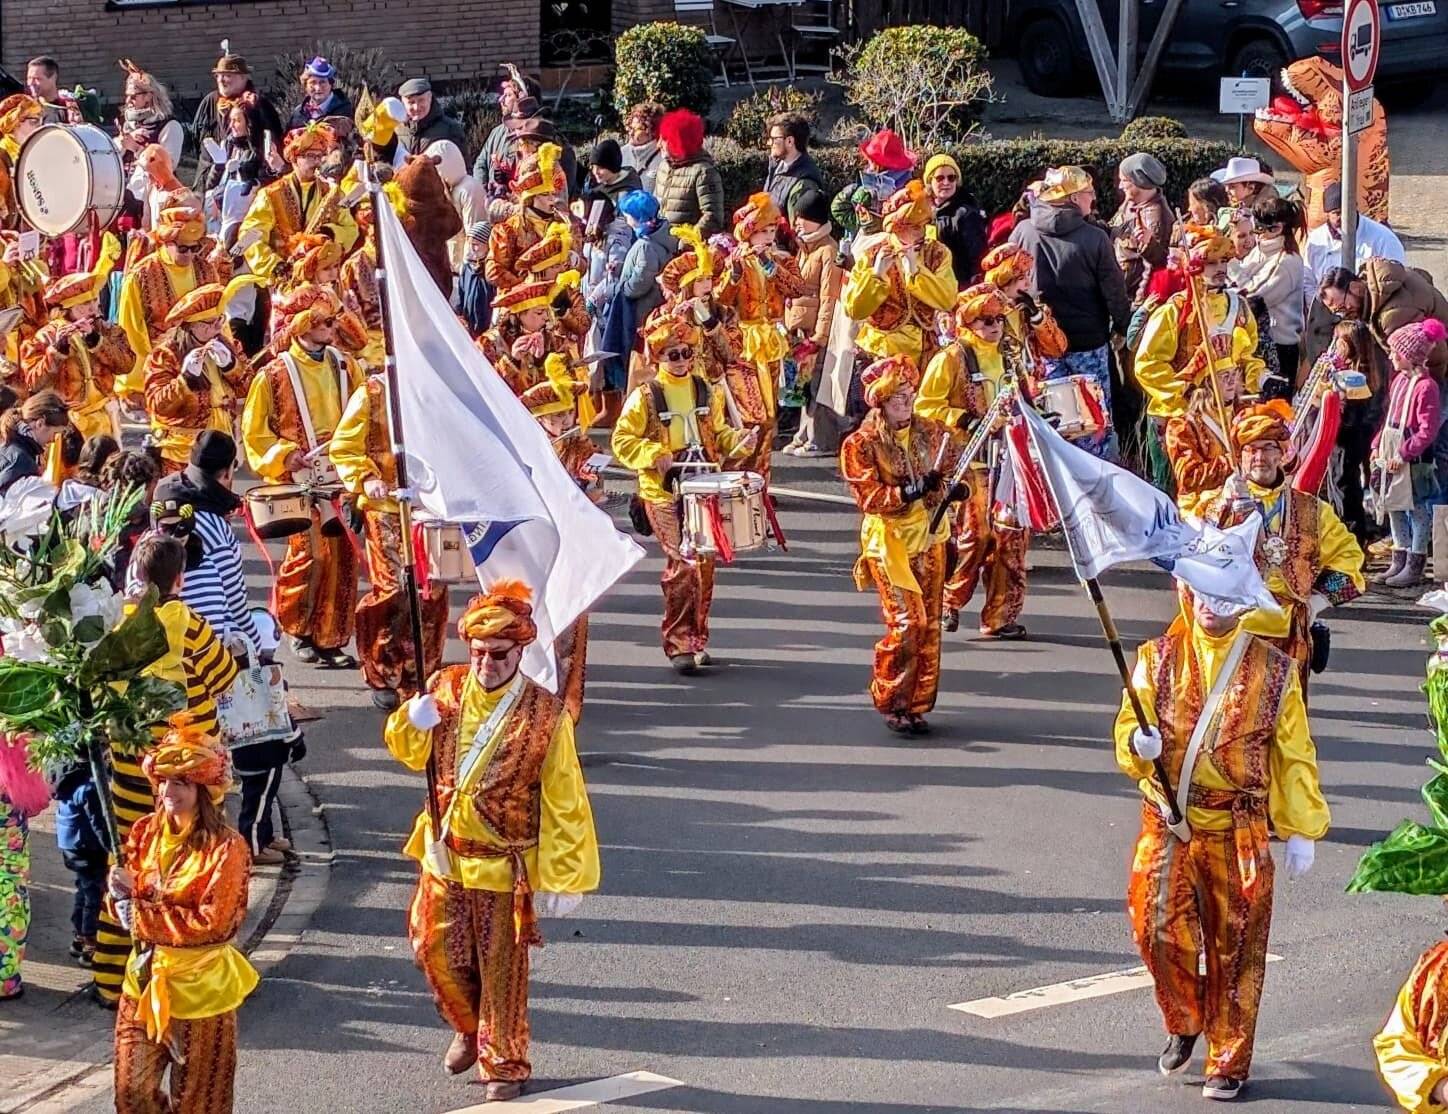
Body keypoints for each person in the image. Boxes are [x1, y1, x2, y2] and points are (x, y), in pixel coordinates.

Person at [384, 584, 599, 1101]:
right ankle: (467, 1026)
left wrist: (564, 875)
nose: (485, 663)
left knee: (501, 973)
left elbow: (565, 798)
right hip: (445, 853)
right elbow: (411, 754)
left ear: (519, 652)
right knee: (432, 950)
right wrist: (409, 723)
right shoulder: (446, 688)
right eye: (477, 653)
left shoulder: (546, 716)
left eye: (497, 655)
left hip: (506, 867)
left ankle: (503, 1063)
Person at [1114, 586, 1327, 1103]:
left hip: (1239, 825)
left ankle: (1228, 1060)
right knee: (1154, 927)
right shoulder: (1155, 658)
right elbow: (1127, 731)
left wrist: (1300, 825)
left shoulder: (1275, 671)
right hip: (1169, 820)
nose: (1212, 604)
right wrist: (1137, 748)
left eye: (1225, 594)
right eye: (1203, 592)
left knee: (1237, 948)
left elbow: (1291, 752)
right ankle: (1185, 1017)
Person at [109, 719, 258, 1114]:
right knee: (131, 1094)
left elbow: (215, 924)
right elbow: (127, 903)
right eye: (164, 781)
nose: (168, 791)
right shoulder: (144, 832)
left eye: (181, 783)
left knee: (200, 1104)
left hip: (201, 994)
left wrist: (140, 905)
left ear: (203, 791)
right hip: (143, 984)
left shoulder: (229, 849)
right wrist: (118, 894)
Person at [611, 316, 758, 672]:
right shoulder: (644, 397)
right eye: (672, 354)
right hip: (662, 492)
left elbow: (720, 435)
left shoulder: (707, 390)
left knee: (704, 567)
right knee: (684, 563)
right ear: (658, 358)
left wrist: (740, 442)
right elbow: (621, 440)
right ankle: (678, 643)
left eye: (686, 353)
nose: (680, 360)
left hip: (703, 487)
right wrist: (652, 454)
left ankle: (696, 638)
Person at [1201, 402, 1365, 691]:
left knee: (1286, 725)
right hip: (1235, 632)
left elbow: (1351, 562)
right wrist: (1223, 506)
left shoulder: (1312, 510)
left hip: (1288, 634)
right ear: (1240, 457)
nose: (1259, 457)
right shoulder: (1217, 505)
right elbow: (1192, 557)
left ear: (1282, 453)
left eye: (1267, 448)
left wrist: (1315, 603)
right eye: (1251, 450)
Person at [241, 284, 363, 668]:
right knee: (307, 556)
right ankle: (297, 628)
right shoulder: (274, 374)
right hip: (298, 480)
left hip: (339, 476)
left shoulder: (347, 366)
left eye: (332, 321)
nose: (331, 327)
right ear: (302, 325)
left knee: (342, 558)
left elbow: (368, 414)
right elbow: (255, 430)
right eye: (323, 322)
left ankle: (331, 637)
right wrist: (285, 454)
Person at [842, 355, 964, 734]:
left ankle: (917, 704)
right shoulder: (860, 444)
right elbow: (870, 497)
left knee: (930, 628)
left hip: (931, 538)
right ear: (880, 402)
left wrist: (954, 490)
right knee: (908, 624)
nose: (905, 403)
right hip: (890, 544)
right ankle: (891, 698)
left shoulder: (932, 431)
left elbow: (953, 471)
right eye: (897, 397)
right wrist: (909, 491)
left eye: (909, 395)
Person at [329, 377, 450, 709]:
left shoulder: (439, 386)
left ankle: (422, 671)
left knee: (432, 591)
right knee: (394, 588)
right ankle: (383, 671)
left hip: (430, 508)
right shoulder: (373, 391)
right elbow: (343, 446)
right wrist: (366, 478)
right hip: (386, 509)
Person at [918, 283, 1031, 638]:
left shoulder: (1012, 353)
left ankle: (1000, 617)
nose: (993, 326)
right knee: (976, 536)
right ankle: (950, 602)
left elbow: (1028, 393)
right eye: (983, 320)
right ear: (967, 323)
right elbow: (925, 405)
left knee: (1011, 538)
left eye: (997, 318)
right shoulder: (950, 358)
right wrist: (965, 419)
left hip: (1011, 459)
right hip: (971, 459)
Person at [1009, 165, 1130, 458]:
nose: (1094, 199)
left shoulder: (1022, 232)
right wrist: (1126, 328)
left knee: (1053, 424)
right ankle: (1098, 487)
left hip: (1041, 344)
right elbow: (1114, 291)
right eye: (1089, 193)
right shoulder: (1094, 238)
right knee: (1093, 424)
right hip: (1088, 343)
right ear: (1074, 198)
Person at [716, 192, 805, 483]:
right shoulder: (733, 262)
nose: (768, 237)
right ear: (749, 233)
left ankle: (760, 481)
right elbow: (721, 300)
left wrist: (772, 267)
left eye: (771, 231)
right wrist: (735, 273)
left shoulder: (782, 260)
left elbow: (797, 288)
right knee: (750, 416)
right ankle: (736, 475)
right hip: (744, 343)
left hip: (773, 342)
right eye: (762, 231)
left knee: (769, 418)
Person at [1135, 224, 1264, 426]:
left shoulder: (1239, 306)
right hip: (1180, 419)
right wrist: (1185, 391)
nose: (1220, 268)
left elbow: (1247, 357)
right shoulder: (1174, 310)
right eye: (1211, 262)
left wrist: (1260, 379)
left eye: (1223, 261)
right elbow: (1147, 365)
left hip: (1226, 415)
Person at [842, 179, 958, 386]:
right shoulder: (872, 255)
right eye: (914, 227)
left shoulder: (938, 253)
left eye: (924, 225)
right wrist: (876, 275)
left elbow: (947, 299)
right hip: (882, 355)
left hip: (925, 353)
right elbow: (854, 309)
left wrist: (916, 271)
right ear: (897, 227)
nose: (922, 233)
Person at [22, 248, 131, 447]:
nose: (92, 308)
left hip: (103, 418)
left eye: (94, 301)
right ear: (68, 309)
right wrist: (55, 353)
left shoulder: (106, 330)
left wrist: (96, 342)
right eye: (84, 304)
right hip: (67, 423)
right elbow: (33, 383)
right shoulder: (46, 335)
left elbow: (126, 365)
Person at [116, 208, 227, 402]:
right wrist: (138, 383)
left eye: (196, 248)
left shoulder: (207, 270)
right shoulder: (141, 275)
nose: (190, 254)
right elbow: (132, 331)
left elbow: (219, 318)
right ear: (166, 243)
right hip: (159, 368)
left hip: (203, 364)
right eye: (183, 248)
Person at [141, 280, 252, 474]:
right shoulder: (165, 354)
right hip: (182, 451)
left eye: (221, 320)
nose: (218, 328)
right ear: (191, 326)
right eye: (211, 323)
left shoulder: (227, 345)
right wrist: (186, 379)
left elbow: (250, 387)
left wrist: (231, 366)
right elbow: (157, 405)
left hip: (222, 445)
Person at [1372, 320, 1447, 588]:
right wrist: (1377, 444)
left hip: (1412, 458)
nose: (1391, 356)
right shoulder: (1399, 381)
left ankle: (1416, 562)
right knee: (1392, 505)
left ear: (1408, 355)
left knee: (1415, 508)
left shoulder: (1427, 388)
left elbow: (1427, 431)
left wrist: (1404, 453)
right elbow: (1389, 417)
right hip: (1390, 449)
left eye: (1395, 352)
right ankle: (1398, 557)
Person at [238, 123, 358, 284]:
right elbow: (249, 235)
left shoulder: (331, 192)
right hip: (286, 279)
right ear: (294, 158)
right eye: (310, 156)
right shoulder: (270, 194)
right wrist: (275, 266)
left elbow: (351, 229)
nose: (317, 162)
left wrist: (330, 232)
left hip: (324, 279)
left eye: (320, 156)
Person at [782, 189, 842, 457]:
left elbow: (830, 295)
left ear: (816, 218)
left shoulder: (828, 250)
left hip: (816, 329)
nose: (797, 222)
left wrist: (821, 334)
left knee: (819, 385)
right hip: (799, 327)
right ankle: (804, 433)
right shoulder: (804, 247)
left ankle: (822, 437)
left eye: (803, 217)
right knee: (802, 385)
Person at [1318, 260, 1448, 381]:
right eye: (1337, 312)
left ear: (1355, 287)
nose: (1344, 315)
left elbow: (1436, 354)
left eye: (1342, 307)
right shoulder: (1381, 283)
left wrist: (1425, 389)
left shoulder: (1392, 316)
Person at [1236, 196, 1306, 396]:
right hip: (1258, 341)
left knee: (1274, 410)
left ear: (1282, 228)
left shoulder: (1287, 262)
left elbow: (1253, 297)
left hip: (1280, 346)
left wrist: (1231, 266)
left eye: (1270, 229)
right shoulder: (1259, 251)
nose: (1261, 235)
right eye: (1258, 227)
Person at [190, 52, 285, 190]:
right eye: (218, 75)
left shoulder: (257, 104)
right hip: (210, 179)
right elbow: (197, 138)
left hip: (247, 181)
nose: (221, 80)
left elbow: (272, 144)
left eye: (227, 75)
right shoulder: (210, 101)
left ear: (243, 77)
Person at [0, 735, 48, 1000]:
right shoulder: (14, 732)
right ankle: (5, 979)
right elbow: (36, 803)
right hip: (9, 855)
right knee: (9, 899)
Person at [486, 142, 568, 294]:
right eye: (545, 195)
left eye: (553, 194)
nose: (552, 200)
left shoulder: (563, 225)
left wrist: (575, 261)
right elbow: (493, 270)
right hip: (521, 309)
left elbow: (580, 266)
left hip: (557, 302)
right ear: (530, 198)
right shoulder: (511, 229)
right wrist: (524, 287)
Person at [52, 752, 108, 971]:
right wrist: (111, 848)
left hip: (71, 845)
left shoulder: (68, 777)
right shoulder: (90, 787)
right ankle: (89, 942)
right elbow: (98, 824)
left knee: (83, 889)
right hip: (87, 846)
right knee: (94, 893)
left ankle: (78, 936)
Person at [1110, 152, 1174, 305]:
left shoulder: (1155, 217)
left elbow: (1162, 263)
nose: (1120, 186)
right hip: (1121, 291)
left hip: (1136, 299)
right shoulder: (1130, 203)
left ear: (1138, 182)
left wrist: (1148, 243)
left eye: (1124, 180)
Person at [652, 109, 726, 238]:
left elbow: (712, 216)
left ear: (678, 141)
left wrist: (687, 240)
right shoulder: (664, 166)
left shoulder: (703, 172)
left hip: (686, 249)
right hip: (660, 242)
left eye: (664, 139)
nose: (659, 145)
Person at [924, 154, 986, 290]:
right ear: (929, 181)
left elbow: (976, 256)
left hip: (955, 286)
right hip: (927, 283)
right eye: (940, 178)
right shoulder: (922, 210)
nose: (946, 183)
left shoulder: (966, 214)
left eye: (951, 178)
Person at [428, 141, 488, 274]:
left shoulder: (469, 189)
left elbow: (473, 234)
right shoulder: (447, 190)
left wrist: (468, 272)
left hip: (468, 270)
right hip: (452, 268)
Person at [0, 390, 68, 494]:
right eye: (55, 434)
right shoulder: (22, 462)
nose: (53, 440)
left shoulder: (10, 445)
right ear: (40, 424)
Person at [762, 112, 824, 224]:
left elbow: (798, 231)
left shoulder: (804, 183)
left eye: (774, 138)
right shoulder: (777, 166)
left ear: (790, 141)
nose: (769, 143)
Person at [394, 77, 467, 159]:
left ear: (430, 98)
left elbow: (462, 166)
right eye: (411, 102)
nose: (416, 107)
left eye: (421, 100)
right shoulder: (396, 130)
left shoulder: (450, 129)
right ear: (403, 103)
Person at [287, 56, 353, 131]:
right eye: (313, 82)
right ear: (305, 86)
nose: (318, 88)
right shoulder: (298, 113)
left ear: (331, 84)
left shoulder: (343, 111)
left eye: (322, 82)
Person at [455, 221, 494, 338]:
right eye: (471, 244)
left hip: (488, 329)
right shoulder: (468, 269)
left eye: (477, 244)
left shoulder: (493, 272)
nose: (473, 249)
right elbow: (461, 296)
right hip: (470, 328)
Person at [620, 102, 666, 195]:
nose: (631, 133)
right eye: (630, 127)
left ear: (653, 131)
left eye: (638, 129)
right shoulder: (621, 153)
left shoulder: (663, 158)